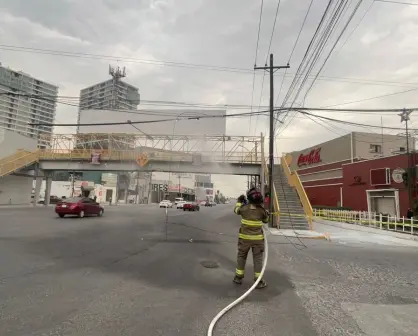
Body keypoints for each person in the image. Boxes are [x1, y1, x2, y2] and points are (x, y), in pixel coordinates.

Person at [233, 187, 268, 289]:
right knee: (257, 259)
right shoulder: (262, 211)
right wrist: (266, 214)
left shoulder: (244, 209)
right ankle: (259, 281)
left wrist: (239, 201)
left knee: (241, 257)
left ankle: (238, 278)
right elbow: (266, 220)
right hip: (258, 240)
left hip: (244, 240)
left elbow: (236, 210)